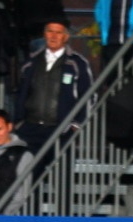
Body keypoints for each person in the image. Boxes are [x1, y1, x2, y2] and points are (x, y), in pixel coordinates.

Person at [14, 19, 93, 159]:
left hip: (61, 131)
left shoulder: (77, 63)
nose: (53, 36)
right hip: (30, 129)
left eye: (58, 32)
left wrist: (75, 124)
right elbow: (20, 93)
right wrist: (19, 122)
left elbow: (88, 96)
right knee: (28, 175)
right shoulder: (31, 61)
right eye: (50, 31)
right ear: (44, 34)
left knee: (62, 177)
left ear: (66, 37)